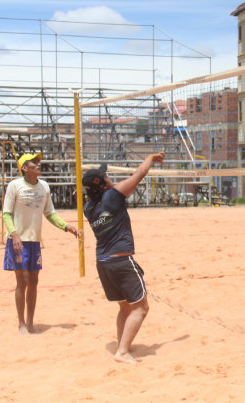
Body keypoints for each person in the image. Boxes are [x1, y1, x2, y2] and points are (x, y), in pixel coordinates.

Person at [82, 152, 165, 364]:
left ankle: (122, 346)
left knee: (124, 307)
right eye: (106, 177)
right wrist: (151, 157)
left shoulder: (88, 207)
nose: (110, 178)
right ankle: (122, 352)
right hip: (120, 261)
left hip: (103, 263)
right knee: (141, 308)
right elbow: (140, 173)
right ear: (102, 185)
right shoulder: (112, 197)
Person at [2, 153, 78, 334]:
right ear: (24, 168)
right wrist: (14, 235)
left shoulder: (44, 187)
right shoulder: (15, 186)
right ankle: (21, 323)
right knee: (22, 281)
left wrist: (66, 226)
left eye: (38, 161)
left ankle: (30, 322)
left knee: (34, 281)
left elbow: (50, 213)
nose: (39, 164)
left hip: (34, 241)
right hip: (18, 240)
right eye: (34, 162)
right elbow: (6, 213)